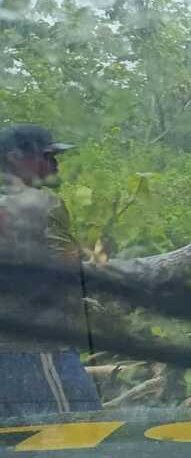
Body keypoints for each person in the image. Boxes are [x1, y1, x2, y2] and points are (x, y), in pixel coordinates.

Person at [0, 124, 102, 416]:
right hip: (40, 349)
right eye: (47, 156)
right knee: (81, 432)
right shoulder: (44, 204)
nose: (55, 164)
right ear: (16, 158)